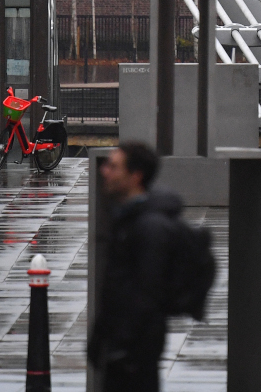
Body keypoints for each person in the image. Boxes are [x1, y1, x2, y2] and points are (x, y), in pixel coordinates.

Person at [89, 142, 179, 392]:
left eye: (114, 167)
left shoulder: (149, 228)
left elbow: (147, 295)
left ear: (136, 176)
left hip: (133, 356)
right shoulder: (126, 219)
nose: (105, 171)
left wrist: (123, 347)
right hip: (119, 349)